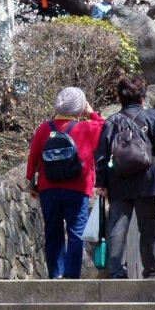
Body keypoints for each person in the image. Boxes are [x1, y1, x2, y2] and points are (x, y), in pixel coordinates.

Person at [94, 73, 155, 279]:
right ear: (143, 97)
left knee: (117, 227)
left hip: (118, 180)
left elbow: (101, 156)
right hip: (148, 180)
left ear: (120, 97)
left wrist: (101, 183)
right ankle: (151, 271)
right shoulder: (154, 117)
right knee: (149, 229)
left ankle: (117, 272)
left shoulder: (111, 122)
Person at [25, 86, 104, 279]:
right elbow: (105, 127)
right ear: (79, 107)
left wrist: (31, 181)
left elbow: (33, 157)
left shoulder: (44, 129)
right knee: (76, 232)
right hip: (78, 188)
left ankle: (55, 274)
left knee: (52, 231)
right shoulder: (87, 128)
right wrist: (91, 112)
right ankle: (71, 276)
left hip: (49, 188)